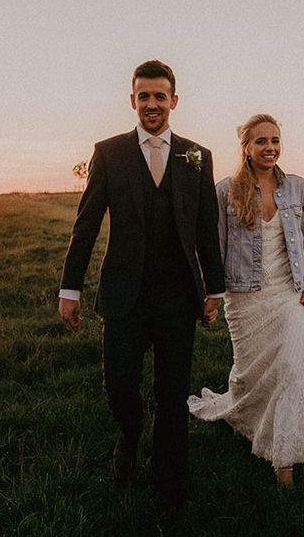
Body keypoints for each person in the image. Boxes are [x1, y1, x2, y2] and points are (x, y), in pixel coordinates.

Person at [58, 60, 224, 508]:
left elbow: (207, 228)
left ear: (174, 100)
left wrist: (215, 289)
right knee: (120, 387)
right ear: (132, 101)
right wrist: (69, 288)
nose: (152, 104)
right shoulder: (109, 152)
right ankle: (130, 435)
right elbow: (86, 224)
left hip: (177, 298)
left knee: (172, 395)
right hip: (123, 296)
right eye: (144, 96)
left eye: (160, 95)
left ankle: (171, 484)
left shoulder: (197, 156)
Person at [188, 114, 304, 488]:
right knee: (251, 376)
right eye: (261, 141)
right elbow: (212, 248)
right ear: (246, 148)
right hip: (244, 298)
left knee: (293, 372)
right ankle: (246, 420)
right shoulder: (227, 190)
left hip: (290, 294)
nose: (270, 148)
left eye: (275, 140)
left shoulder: (298, 188)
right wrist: (210, 295)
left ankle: (285, 460)